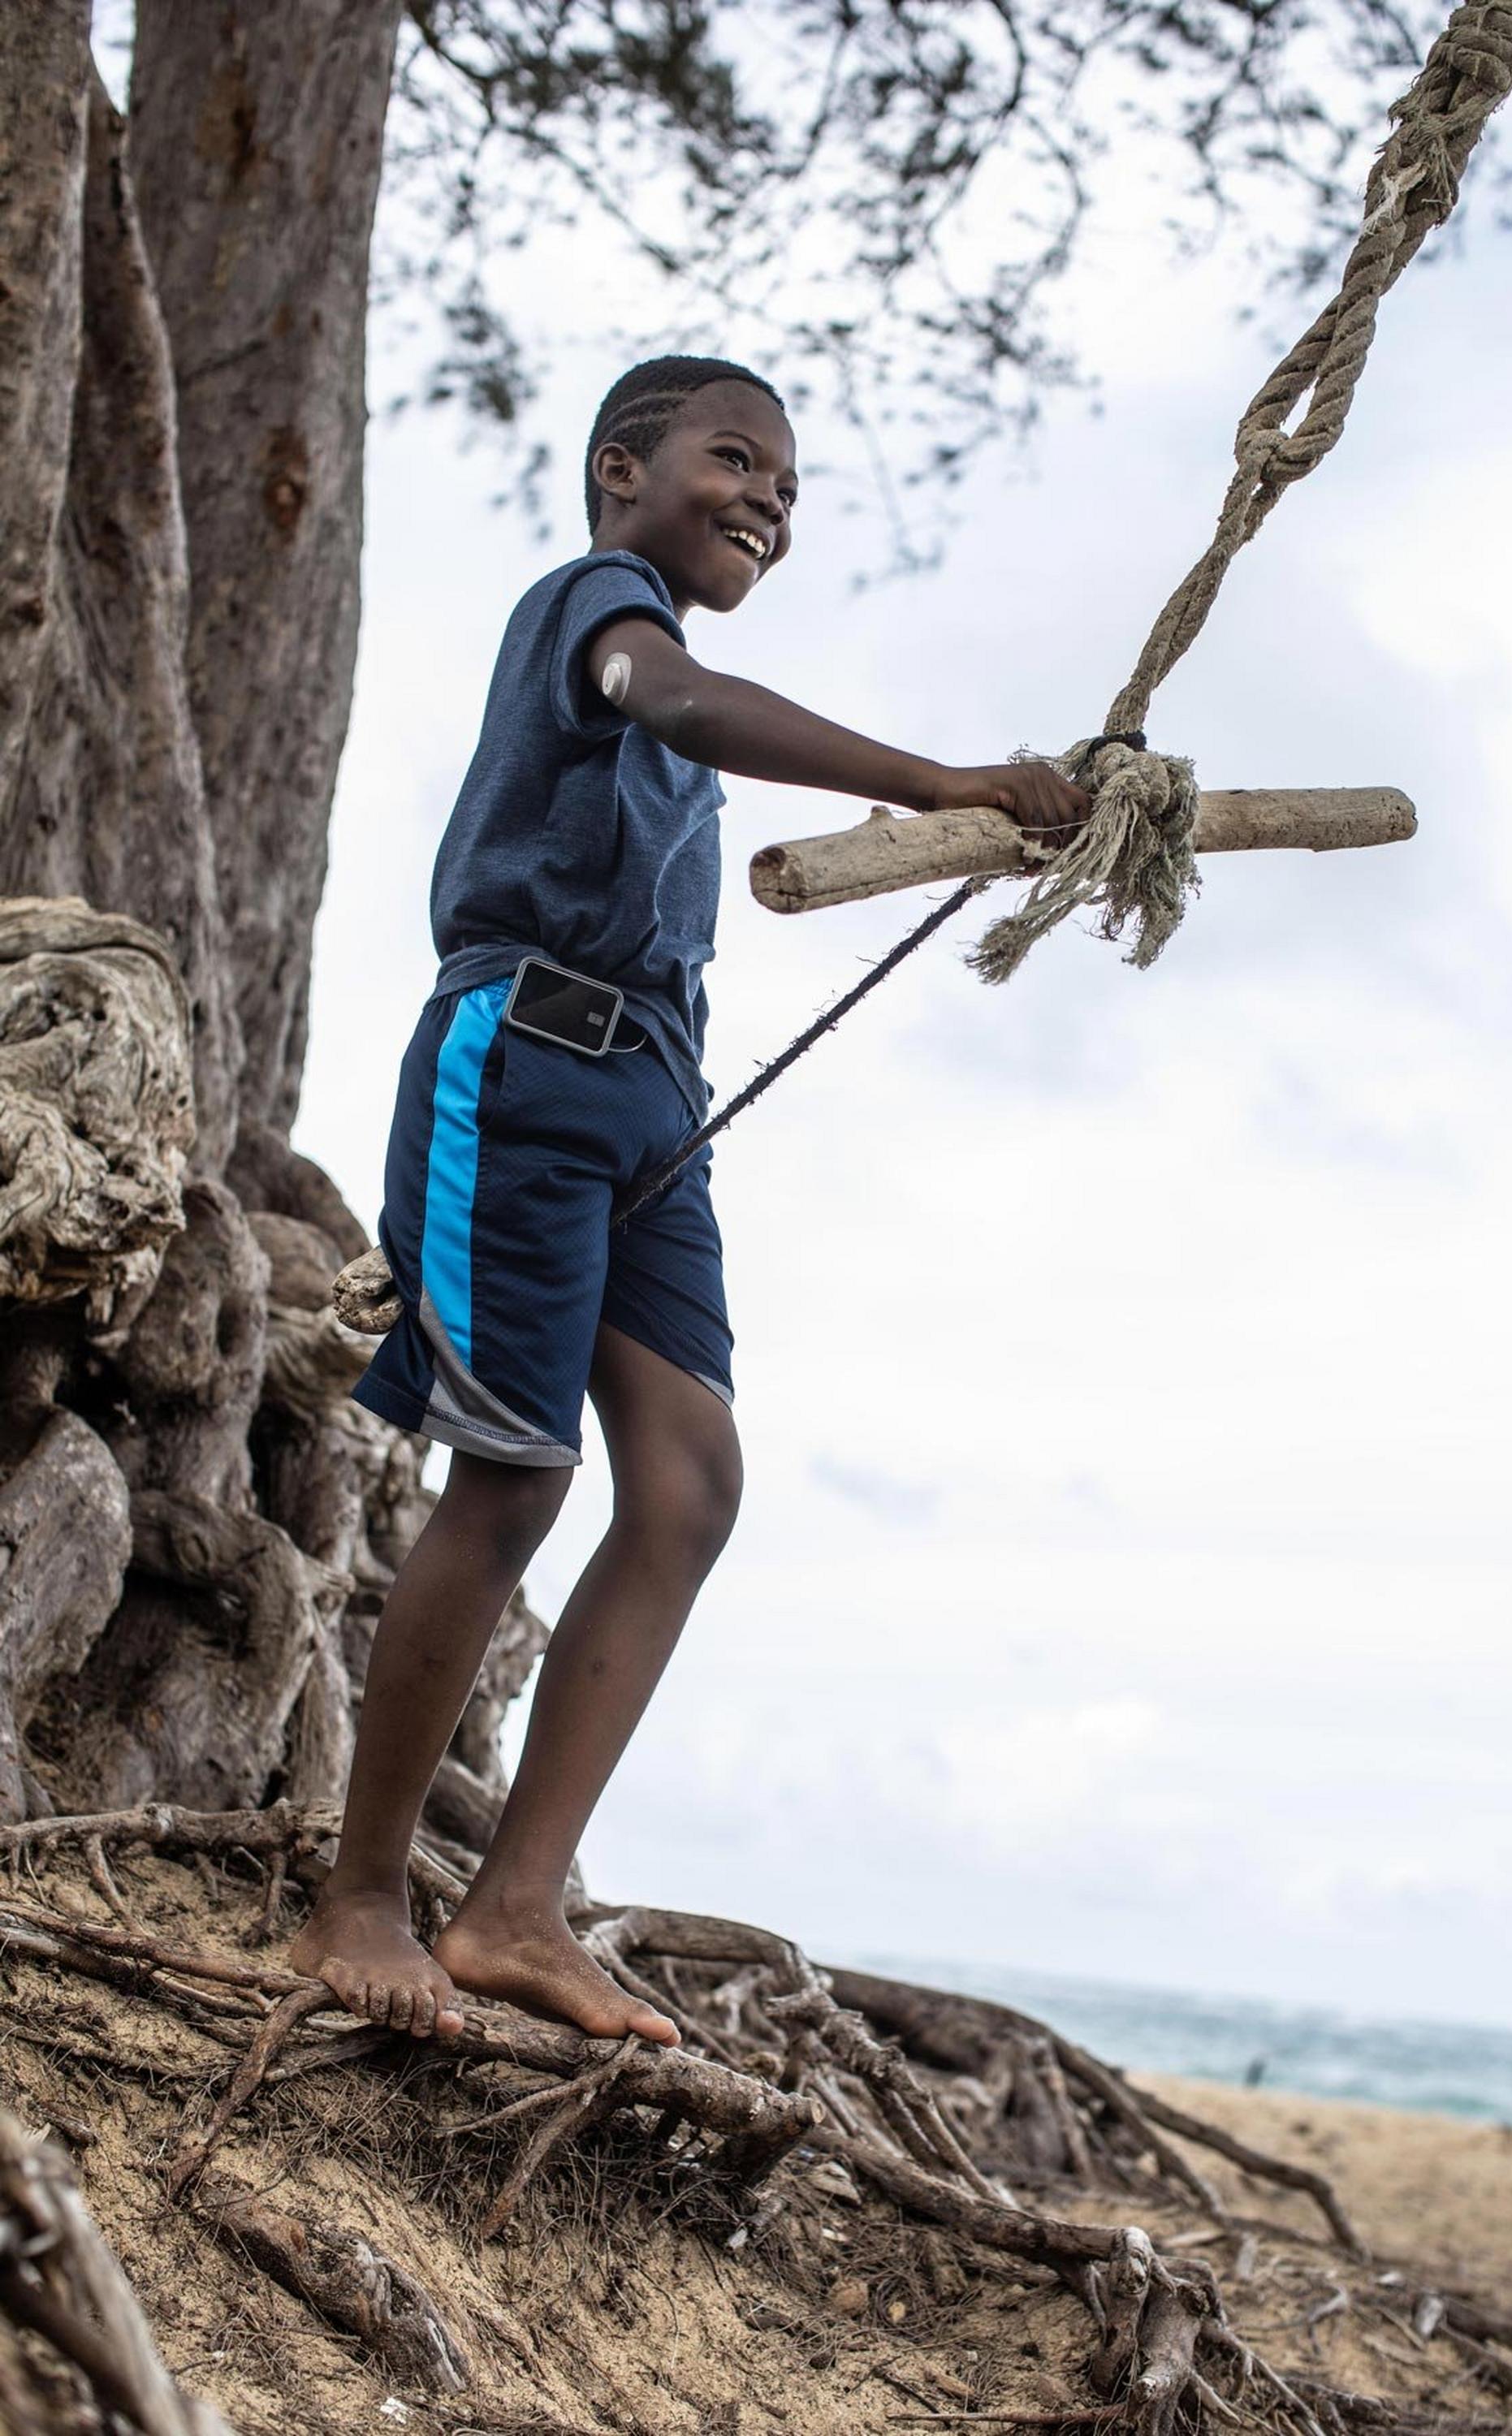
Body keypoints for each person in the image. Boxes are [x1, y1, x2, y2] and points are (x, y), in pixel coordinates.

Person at [291, 355, 1091, 2045]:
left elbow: (698, 758)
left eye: (788, 490)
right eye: (737, 461)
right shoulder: (602, 613)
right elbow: (684, 703)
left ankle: (515, 1910)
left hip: (656, 1107)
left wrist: (1007, 812)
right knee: (516, 1475)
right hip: (519, 1067)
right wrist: (947, 778)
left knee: (688, 1483)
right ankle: (360, 1899)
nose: (767, 504)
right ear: (621, 469)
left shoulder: (677, 721)